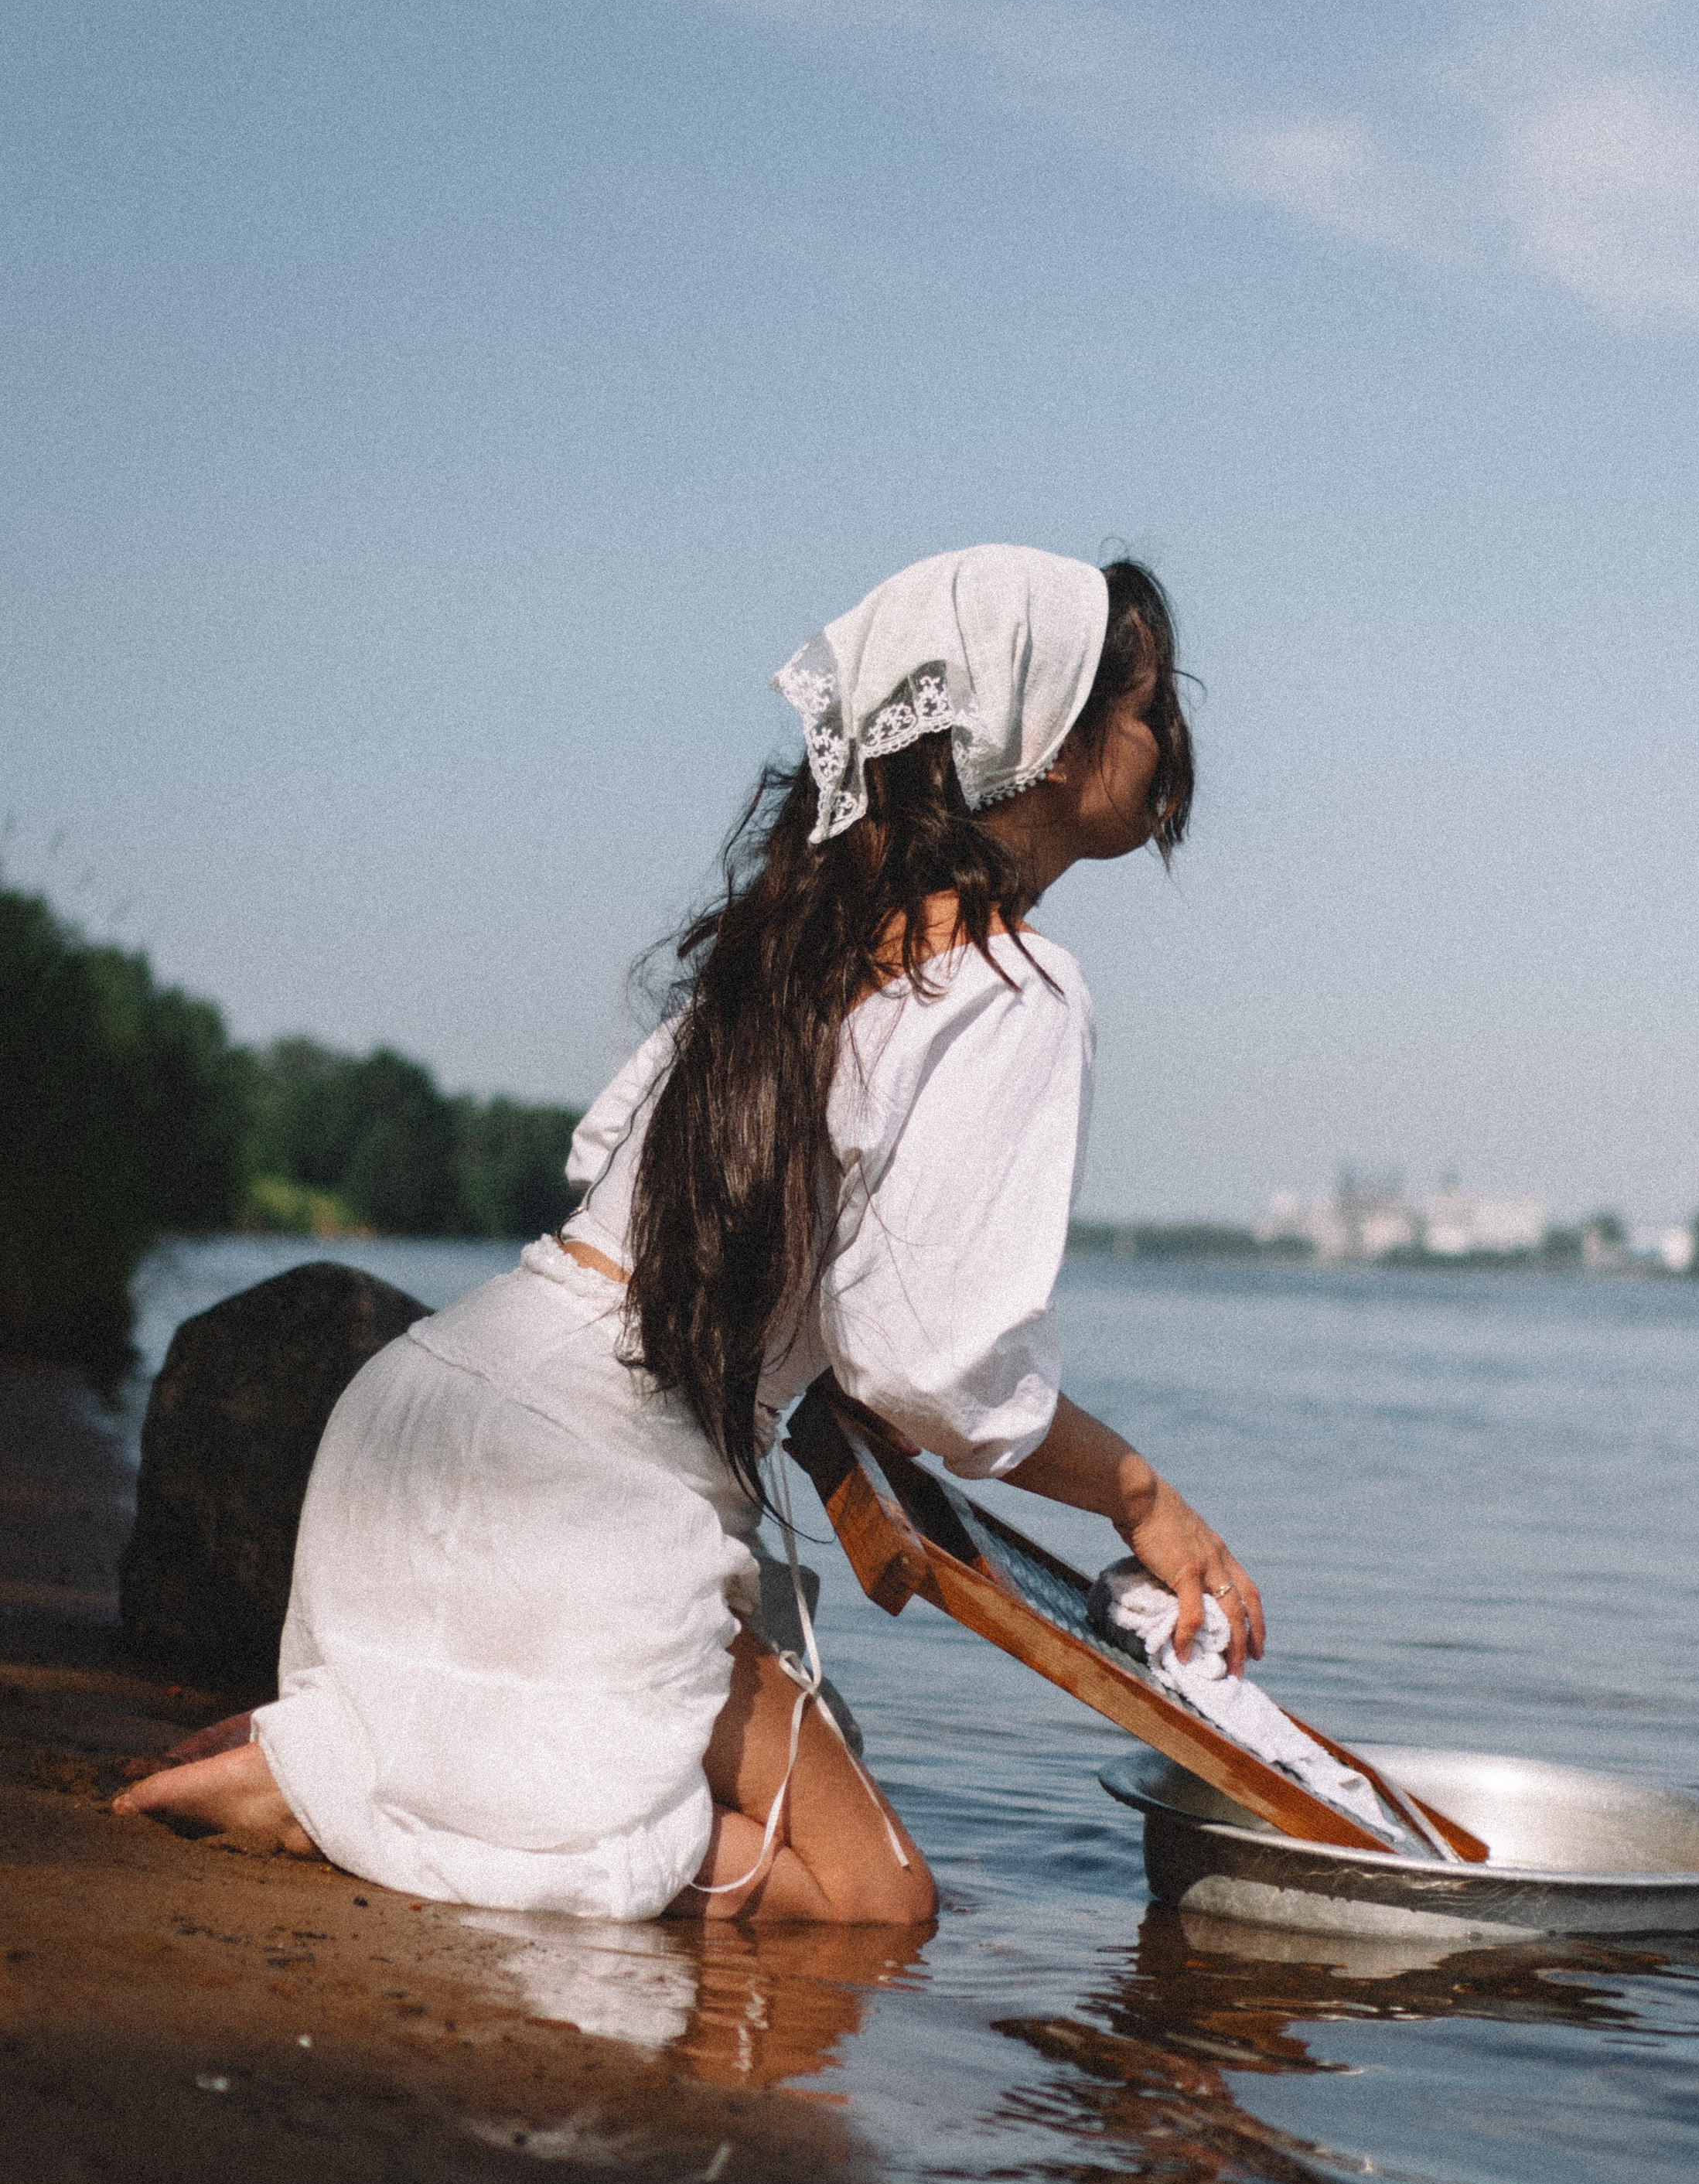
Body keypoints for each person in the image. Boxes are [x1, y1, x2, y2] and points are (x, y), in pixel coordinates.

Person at [116, 545, 1264, 1922]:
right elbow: (928, 1368)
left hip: (412, 1430)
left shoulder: (804, 937)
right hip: (574, 1511)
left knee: (730, 1812)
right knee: (874, 1907)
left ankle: (376, 1766)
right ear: (1058, 741)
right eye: (1145, 707)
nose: (1167, 739)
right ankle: (340, 1796)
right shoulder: (1015, 986)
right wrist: (1146, 1501)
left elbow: (622, 1181)